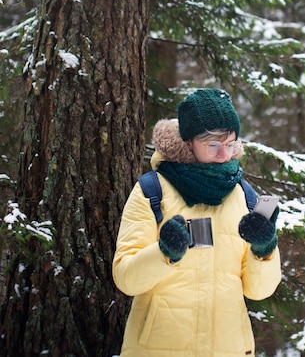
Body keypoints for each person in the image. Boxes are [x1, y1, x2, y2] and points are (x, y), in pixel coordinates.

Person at [113, 88, 281, 357]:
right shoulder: (152, 190)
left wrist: (264, 249)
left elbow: (259, 291)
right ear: (189, 141)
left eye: (231, 144)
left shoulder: (245, 196)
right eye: (213, 144)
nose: (224, 154)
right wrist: (164, 252)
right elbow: (126, 279)